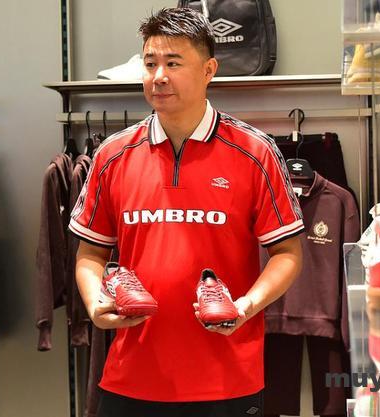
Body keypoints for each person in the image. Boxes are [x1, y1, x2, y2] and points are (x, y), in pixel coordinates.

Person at [69, 7, 304, 417]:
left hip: (228, 381)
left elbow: (288, 254)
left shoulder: (255, 152)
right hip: (131, 379)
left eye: (173, 63)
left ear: (209, 69)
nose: (159, 76)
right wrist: (95, 303)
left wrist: (246, 306)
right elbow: (90, 254)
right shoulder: (112, 155)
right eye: (150, 64)